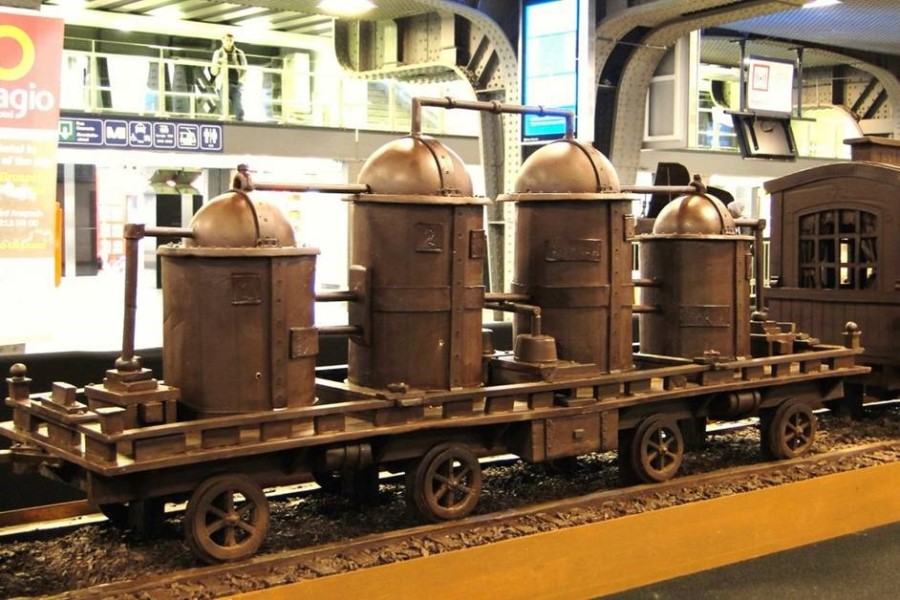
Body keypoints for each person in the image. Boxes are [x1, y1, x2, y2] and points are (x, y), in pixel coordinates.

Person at [211, 33, 247, 120]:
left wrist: (241, 82)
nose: (228, 42)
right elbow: (214, 72)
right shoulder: (218, 53)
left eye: (230, 40)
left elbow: (244, 69)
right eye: (226, 40)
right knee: (225, 109)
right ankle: (227, 123)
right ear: (222, 40)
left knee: (239, 110)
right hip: (223, 84)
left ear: (233, 40)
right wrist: (218, 63)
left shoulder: (239, 53)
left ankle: (240, 124)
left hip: (236, 84)